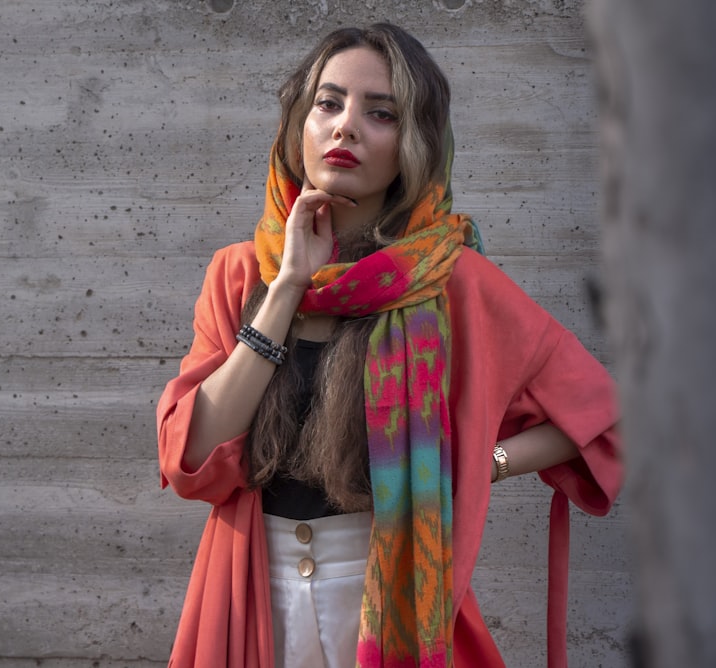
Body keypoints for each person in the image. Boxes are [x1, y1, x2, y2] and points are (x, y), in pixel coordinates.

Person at [156, 22, 622, 668]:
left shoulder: (448, 279)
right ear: (299, 121)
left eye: (381, 114)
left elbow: (600, 411)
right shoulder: (240, 274)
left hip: (389, 592)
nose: (346, 126)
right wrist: (289, 282)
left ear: (413, 144)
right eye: (329, 102)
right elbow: (194, 455)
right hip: (250, 586)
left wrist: (483, 462)